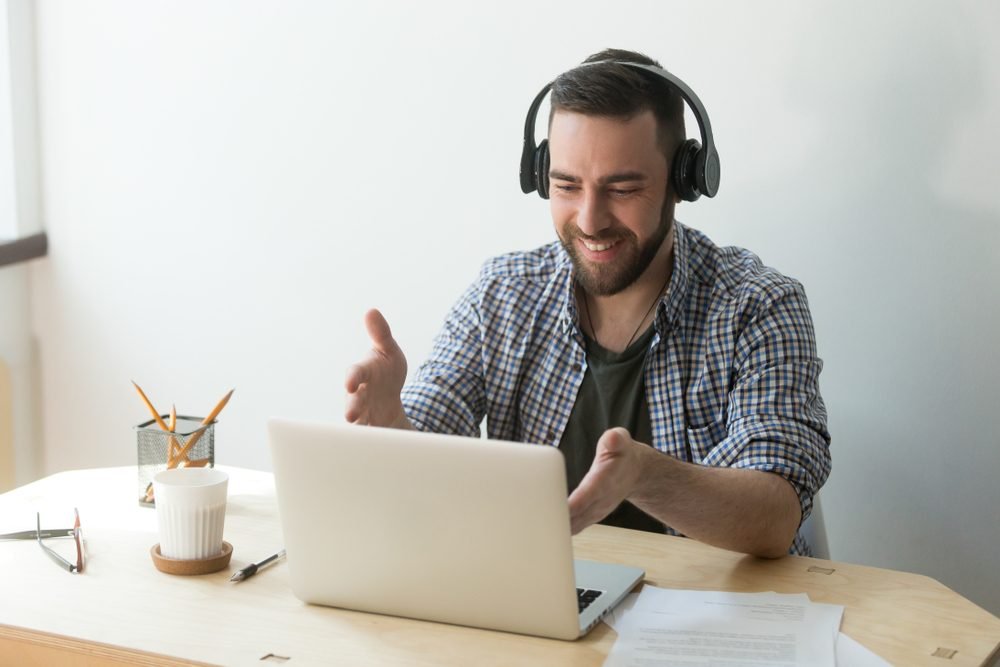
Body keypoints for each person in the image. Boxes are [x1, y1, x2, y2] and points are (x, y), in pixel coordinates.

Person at [344, 48, 831, 558]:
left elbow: (775, 518)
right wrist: (393, 426)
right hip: (544, 604)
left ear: (685, 181)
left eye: (622, 189)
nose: (590, 220)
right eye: (566, 186)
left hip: (714, 620)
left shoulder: (758, 305)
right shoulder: (503, 295)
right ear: (540, 177)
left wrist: (645, 475)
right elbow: (432, 454)